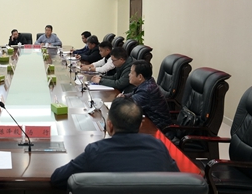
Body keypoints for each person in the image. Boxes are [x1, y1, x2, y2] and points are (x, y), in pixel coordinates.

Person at [50, 98, 178, 187]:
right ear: (140, 125)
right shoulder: (158, 147)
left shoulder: (96, 151)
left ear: (110, 126)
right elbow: (179, 181)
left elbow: (57, 178)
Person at [117, 60, 171, 131]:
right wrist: (124, 96)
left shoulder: (147, 90)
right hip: (149, 121)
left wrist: (119, 102)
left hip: (158, 128)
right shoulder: (147, 83)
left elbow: (130, 107)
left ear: (140, 77)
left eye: (131, 72)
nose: (129, 75)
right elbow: (134, 94)